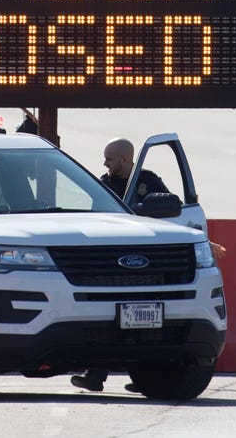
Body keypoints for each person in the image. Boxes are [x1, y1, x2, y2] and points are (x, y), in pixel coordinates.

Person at [71, 137, 169, 393]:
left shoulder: (148, 181)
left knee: (145, 325)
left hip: (146, 264)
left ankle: (146, 378)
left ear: (125, 159)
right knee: (106, 321)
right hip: (113, 263)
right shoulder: (104, 185)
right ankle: (95, 375)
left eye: (110, 158)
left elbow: (171, 209)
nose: (105, 163)